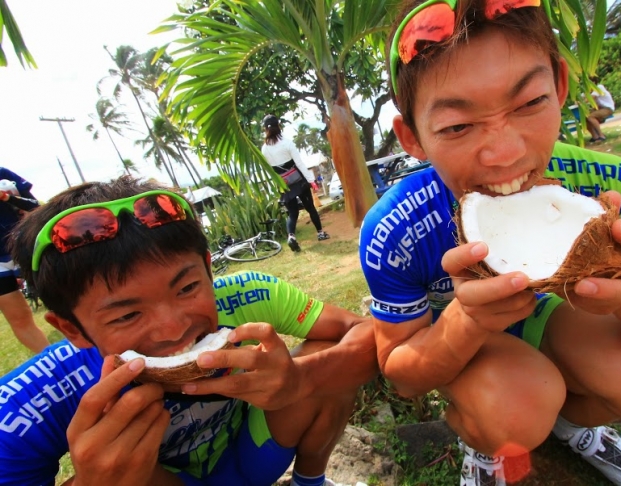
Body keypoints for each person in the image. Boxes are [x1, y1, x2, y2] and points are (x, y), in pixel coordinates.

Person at [359, 1, 621, 485]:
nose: (506, 154)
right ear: (413, 138)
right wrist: (466, 320)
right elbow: (403, 374)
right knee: (512, 411)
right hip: (473, 358)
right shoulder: (396, 229)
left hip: (557, 326)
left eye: (530, 103)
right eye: (456, 126)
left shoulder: (606, 186)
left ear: (558, 86)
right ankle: (481, 441)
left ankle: (573, 424)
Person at [0, 176, 378, 486]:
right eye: (127, 315)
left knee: (323, 353)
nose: (174, 328)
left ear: (208, 269)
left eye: (186, 288)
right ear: (72, 328)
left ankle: (309, 482)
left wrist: (302, 379)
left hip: (255, 456)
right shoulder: (33, 399)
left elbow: (370, 334)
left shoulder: (247, 295)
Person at [261, 115, 330, 252]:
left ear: (265, 129)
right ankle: (321, 233)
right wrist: (311, 180)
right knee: (310, 208)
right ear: (278, 126)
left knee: (292, 213)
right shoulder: (287, 143)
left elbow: (270, 170)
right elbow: (299, 163)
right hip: (299, 181)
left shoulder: (265, 149)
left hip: (284, 184)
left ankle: (291, 237)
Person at [0, 167, 50, 353]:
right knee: (19, 318)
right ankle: (54, 361)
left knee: (63, 299)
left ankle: (90, 346)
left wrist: (7, 198)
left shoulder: (2, 174)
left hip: (23, 246)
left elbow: (36, 207)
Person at [586, 78, 615, 143]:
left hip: (608, 109)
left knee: (591, 117)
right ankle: (595, 136)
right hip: (601, 109)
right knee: (585, 117)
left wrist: (581, 100)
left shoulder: (599, 87)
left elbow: (591, 98)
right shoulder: (591, 91)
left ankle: (601, 135)